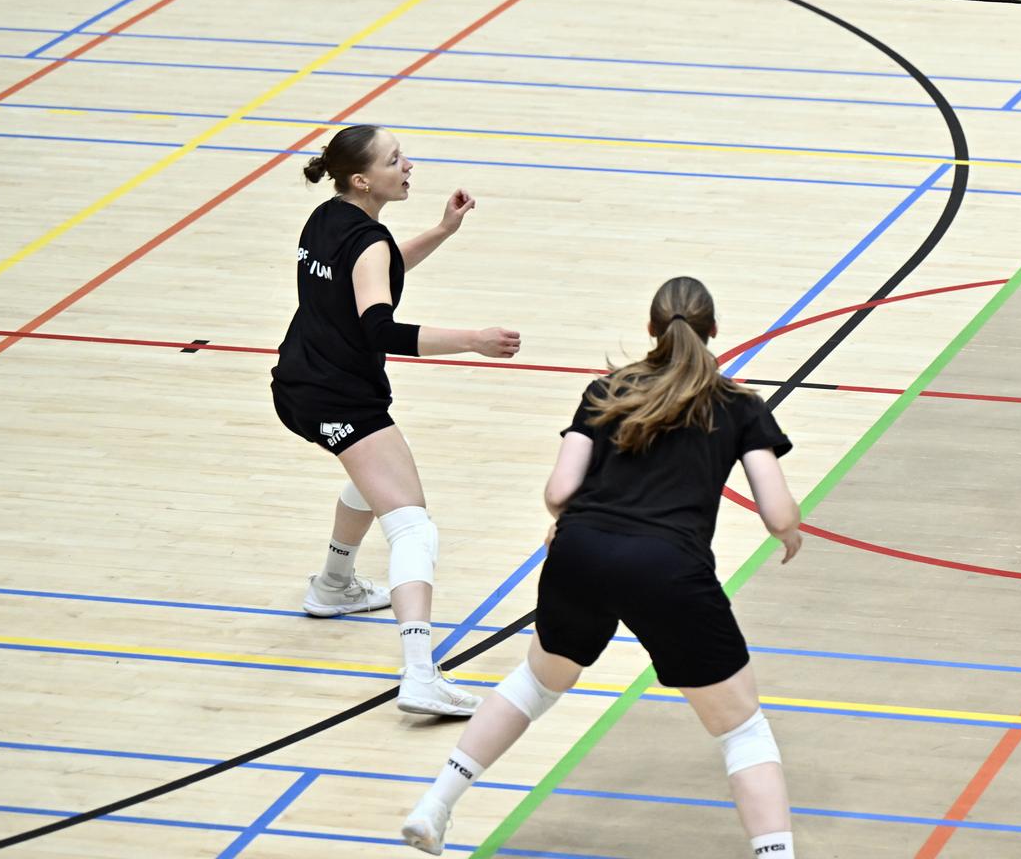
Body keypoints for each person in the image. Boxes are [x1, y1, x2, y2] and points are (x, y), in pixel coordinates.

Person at [401, 276, 802, 856]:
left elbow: (559, 489)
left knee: (538, 682)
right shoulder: (738, 405)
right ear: (714, 331)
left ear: (650, 329)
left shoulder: (608, 389)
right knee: (741, 728)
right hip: (667, 569)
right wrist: (788, 532)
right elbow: (776, 510)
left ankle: (434, 807)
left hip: (581, 552)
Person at [272, 124, 522, 717]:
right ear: (364, 179)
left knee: (371, 477)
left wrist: (440, 230)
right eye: (395, 159)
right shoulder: (369, 241)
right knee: (413, 526)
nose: (407, 165)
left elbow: (373, 270)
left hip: (298, 382)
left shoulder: (326, 219)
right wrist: (474, 340)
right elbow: (379, 326)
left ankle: (333, 586)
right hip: (339, 396)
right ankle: (419, 675)